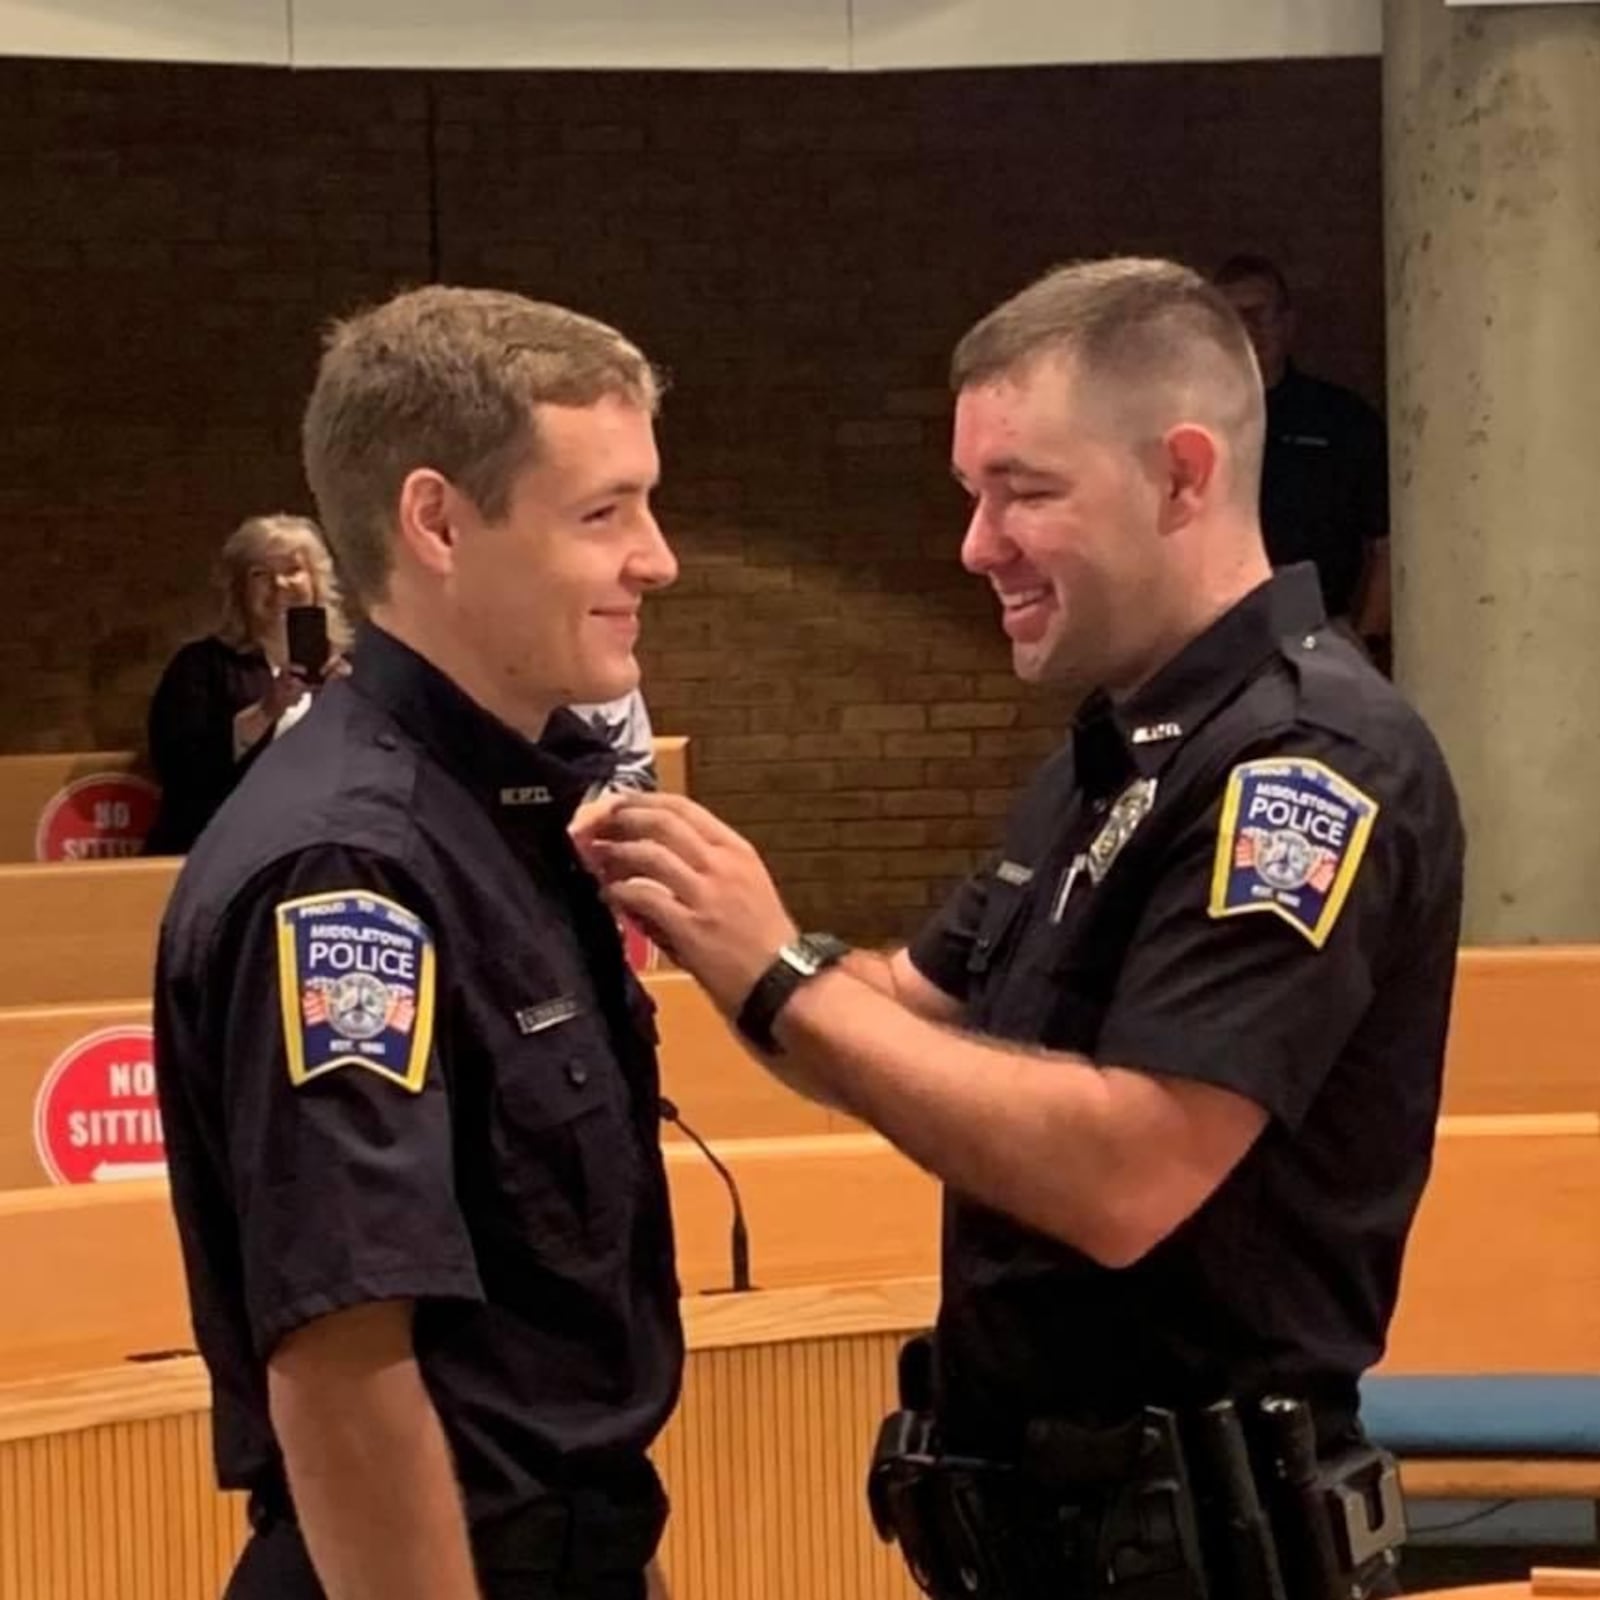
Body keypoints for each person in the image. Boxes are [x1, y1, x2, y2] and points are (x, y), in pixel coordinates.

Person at [589, 259, 1462, 1599]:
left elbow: (1132, 1174)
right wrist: (707, 925)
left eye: (1023, 491)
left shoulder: (1306, 767)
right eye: (972, 495)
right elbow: (910, 1008)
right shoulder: (1119, 751)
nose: (976, 544)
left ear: (1181, 476)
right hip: (1037, 1543)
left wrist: (772, 970)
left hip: (1202, 1554)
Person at [152, 286, 682, 1600]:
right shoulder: (350, 867)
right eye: (603, 513)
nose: (658, 558)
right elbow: (346, 1365)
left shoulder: (500, 812)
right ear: (438, 522)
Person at [1213, 254, 1392, 662]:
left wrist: (1368, 640)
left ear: (1288, 323)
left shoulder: (1341, 419)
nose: (1250, 330)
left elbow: (1387, 543)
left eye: (1260, 314)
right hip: (1215, 639)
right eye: (1233, 319)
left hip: (1318, 637)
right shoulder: (1186, 424)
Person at [144, 514, 351, 854]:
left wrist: (357, 707)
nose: (280, 585)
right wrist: (267, 710)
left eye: (292, 570)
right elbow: (183, 771)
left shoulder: (356, 669)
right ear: (239, 591)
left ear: (317, 582)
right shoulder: (200, 666)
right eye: (260, 575)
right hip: (221, 854)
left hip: (321, 853)